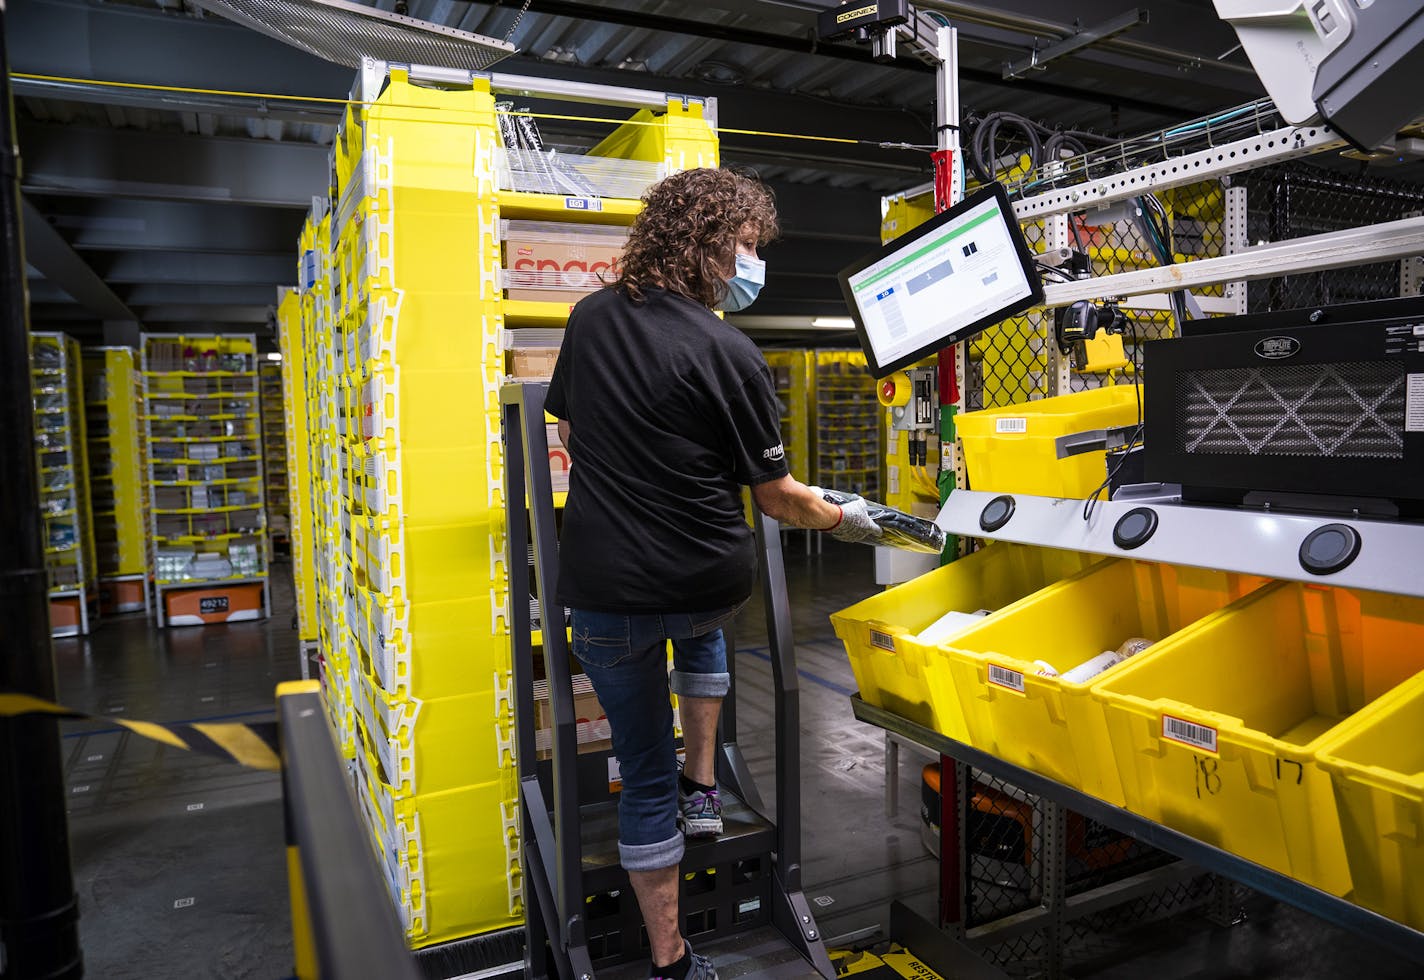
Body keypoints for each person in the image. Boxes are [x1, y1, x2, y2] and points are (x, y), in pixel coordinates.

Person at [544, 167, 879, 980]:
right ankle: (702, 787)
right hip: (699, 585)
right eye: (748, 246)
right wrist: (845, 516)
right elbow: (776, 498)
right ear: (710, 246)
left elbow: (573, 420)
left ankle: (671, 961)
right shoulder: (729, 351)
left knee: (639, 768)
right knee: (702, 639)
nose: (751, 263)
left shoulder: (587, 319)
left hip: (602, 595)